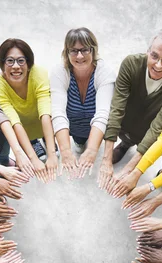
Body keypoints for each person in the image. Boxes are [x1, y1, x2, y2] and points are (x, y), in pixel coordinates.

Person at [97, 28, 162, 193]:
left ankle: (131, 148)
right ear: (147, 51)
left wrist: (130, 169)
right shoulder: (131, 64)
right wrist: (105, 159)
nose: (158, 65)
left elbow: (159, 125)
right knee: (125, 138)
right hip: (127, 121)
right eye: (154, 56)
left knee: (148, 137)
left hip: (148, 130)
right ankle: (125, 145)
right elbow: (117, 107)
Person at [0, 38, 58, 183]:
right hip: (23, 128)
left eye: (21, 61)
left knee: (50, 139)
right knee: (32, 145)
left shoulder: (39, 73)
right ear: (2, 64)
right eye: (10, 61)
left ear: (28, 63)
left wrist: (51, 154)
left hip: (43, 122)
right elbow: (13, 122)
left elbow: (45, 112)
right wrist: (33, 158)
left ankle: (47, 140)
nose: (15, 66)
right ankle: (33, 143)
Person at [50, 27, 116, 179]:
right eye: (73, 50)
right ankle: (80, 143)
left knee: (89, 146)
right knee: (79, 145)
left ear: (93, 50)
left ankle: (88, 145)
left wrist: (93, 150)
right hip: (73, 127)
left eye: (85, 50)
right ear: (66, 53)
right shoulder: (60, 72)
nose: (79, 56)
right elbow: (58, 113)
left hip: (96, 128)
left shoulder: (104, 72)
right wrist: (66, 151)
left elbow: (102, 114)